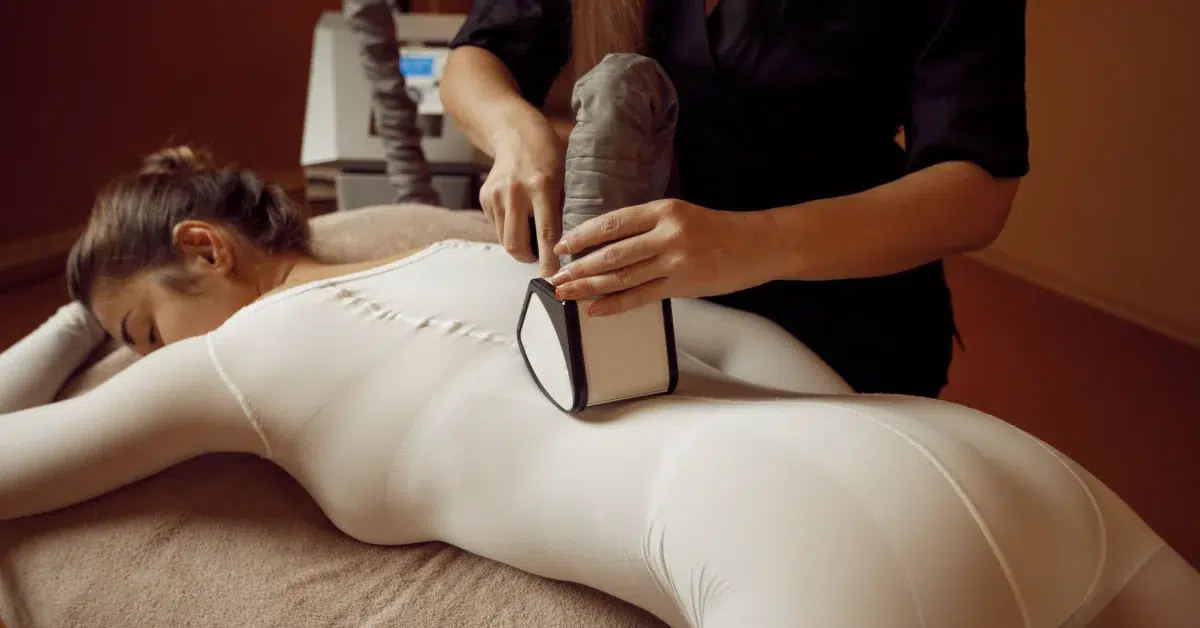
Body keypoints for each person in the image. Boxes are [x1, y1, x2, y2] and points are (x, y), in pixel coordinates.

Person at [2, 148, 1198, 628]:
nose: (138, 357)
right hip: (990, 459)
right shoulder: (483, 257)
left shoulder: (237, 359)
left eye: (135, 328)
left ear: (207, 250)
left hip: (810, 553)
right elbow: (729, 343)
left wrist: (61, 325)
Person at [440, 0, 1032, 398]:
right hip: (642, 317)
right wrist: (515, 134)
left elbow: (977, 191)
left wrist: (748, 242)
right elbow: (476, 58)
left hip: (844, 322)